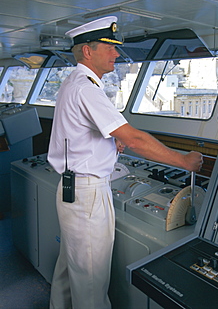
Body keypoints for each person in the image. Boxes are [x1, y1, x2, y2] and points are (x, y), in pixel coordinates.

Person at [48, 16, 203, 309]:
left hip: (71, 190)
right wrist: (184, 160)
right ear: (88, 51)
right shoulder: (87, 89)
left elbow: (80, 134)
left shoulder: (72, 82)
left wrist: (110, 141)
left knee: (70, 272)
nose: (117, 54)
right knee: (91, 284)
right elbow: (135, 139)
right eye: (109, 47)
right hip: (88, 194)